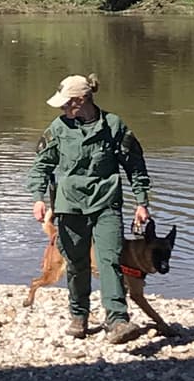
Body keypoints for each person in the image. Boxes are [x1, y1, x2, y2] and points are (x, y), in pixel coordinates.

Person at [26, 73, 152, 345]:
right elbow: (41, 165)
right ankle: (79, 316)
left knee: (110, 259)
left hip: (106, 203)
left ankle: (117, 320)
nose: (62, 109)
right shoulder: (58, 128)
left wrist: (142, 201)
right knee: (77, 262)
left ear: (82, 100)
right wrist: (38, 197)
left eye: (66, 104)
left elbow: (135, 165)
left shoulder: (114, 126)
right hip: (69, 206)